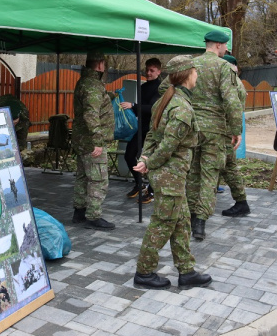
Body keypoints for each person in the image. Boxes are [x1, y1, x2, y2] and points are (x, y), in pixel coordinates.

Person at [132, 56, 212, 290]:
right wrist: (150, 162)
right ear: (187, 75)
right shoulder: (181, 108)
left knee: (181, 222)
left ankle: (186, 270)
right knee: (162, 224)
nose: (197, 75)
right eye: (195, 72)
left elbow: (150, 135)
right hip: (170, 176)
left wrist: (145, 158)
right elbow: (167, 145)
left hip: (171, 176)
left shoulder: (166, 100)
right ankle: (144, 272)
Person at [184, 30, 243, 241]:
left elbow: (168, 88)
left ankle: (191, 216)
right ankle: (200, 222)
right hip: (215, 131)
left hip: (191, 127)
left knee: (192, 173)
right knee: (210, 176)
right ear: (218, 45)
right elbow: (232, 101)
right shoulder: (223, 67)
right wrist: (236, 130)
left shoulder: (190, 64)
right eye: (226, 46)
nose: (226, 49)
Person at [71, 50, 116, 230]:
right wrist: (98, 141)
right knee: (98, 179)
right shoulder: (93, 86)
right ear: (99, 65)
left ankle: (79, 212)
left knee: (83, 177)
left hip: (82, 140)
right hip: (91, 142)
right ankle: (93, 216)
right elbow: (91, 114)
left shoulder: (84, 82)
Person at [121, 57, 162, 204]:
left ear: (159, 71)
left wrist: (133, 105)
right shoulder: (143, 87)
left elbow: (152, 108)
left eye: (152, 70)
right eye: (147, 70)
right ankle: (139, 184)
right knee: (129, 155)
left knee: (151, 161)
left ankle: (151, 191)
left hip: (154, 130)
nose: (148, 73)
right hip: (141, 128)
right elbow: (141, 109)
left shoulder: (161, 88)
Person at [219, 54, 251, 217]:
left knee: (229, 167)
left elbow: (234, 109)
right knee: (227, 167)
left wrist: (234, 130)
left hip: (225, 132)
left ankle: (241, 202)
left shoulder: (233, 84)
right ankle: (241, 202)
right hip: (226, 131)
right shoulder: (235, 82)